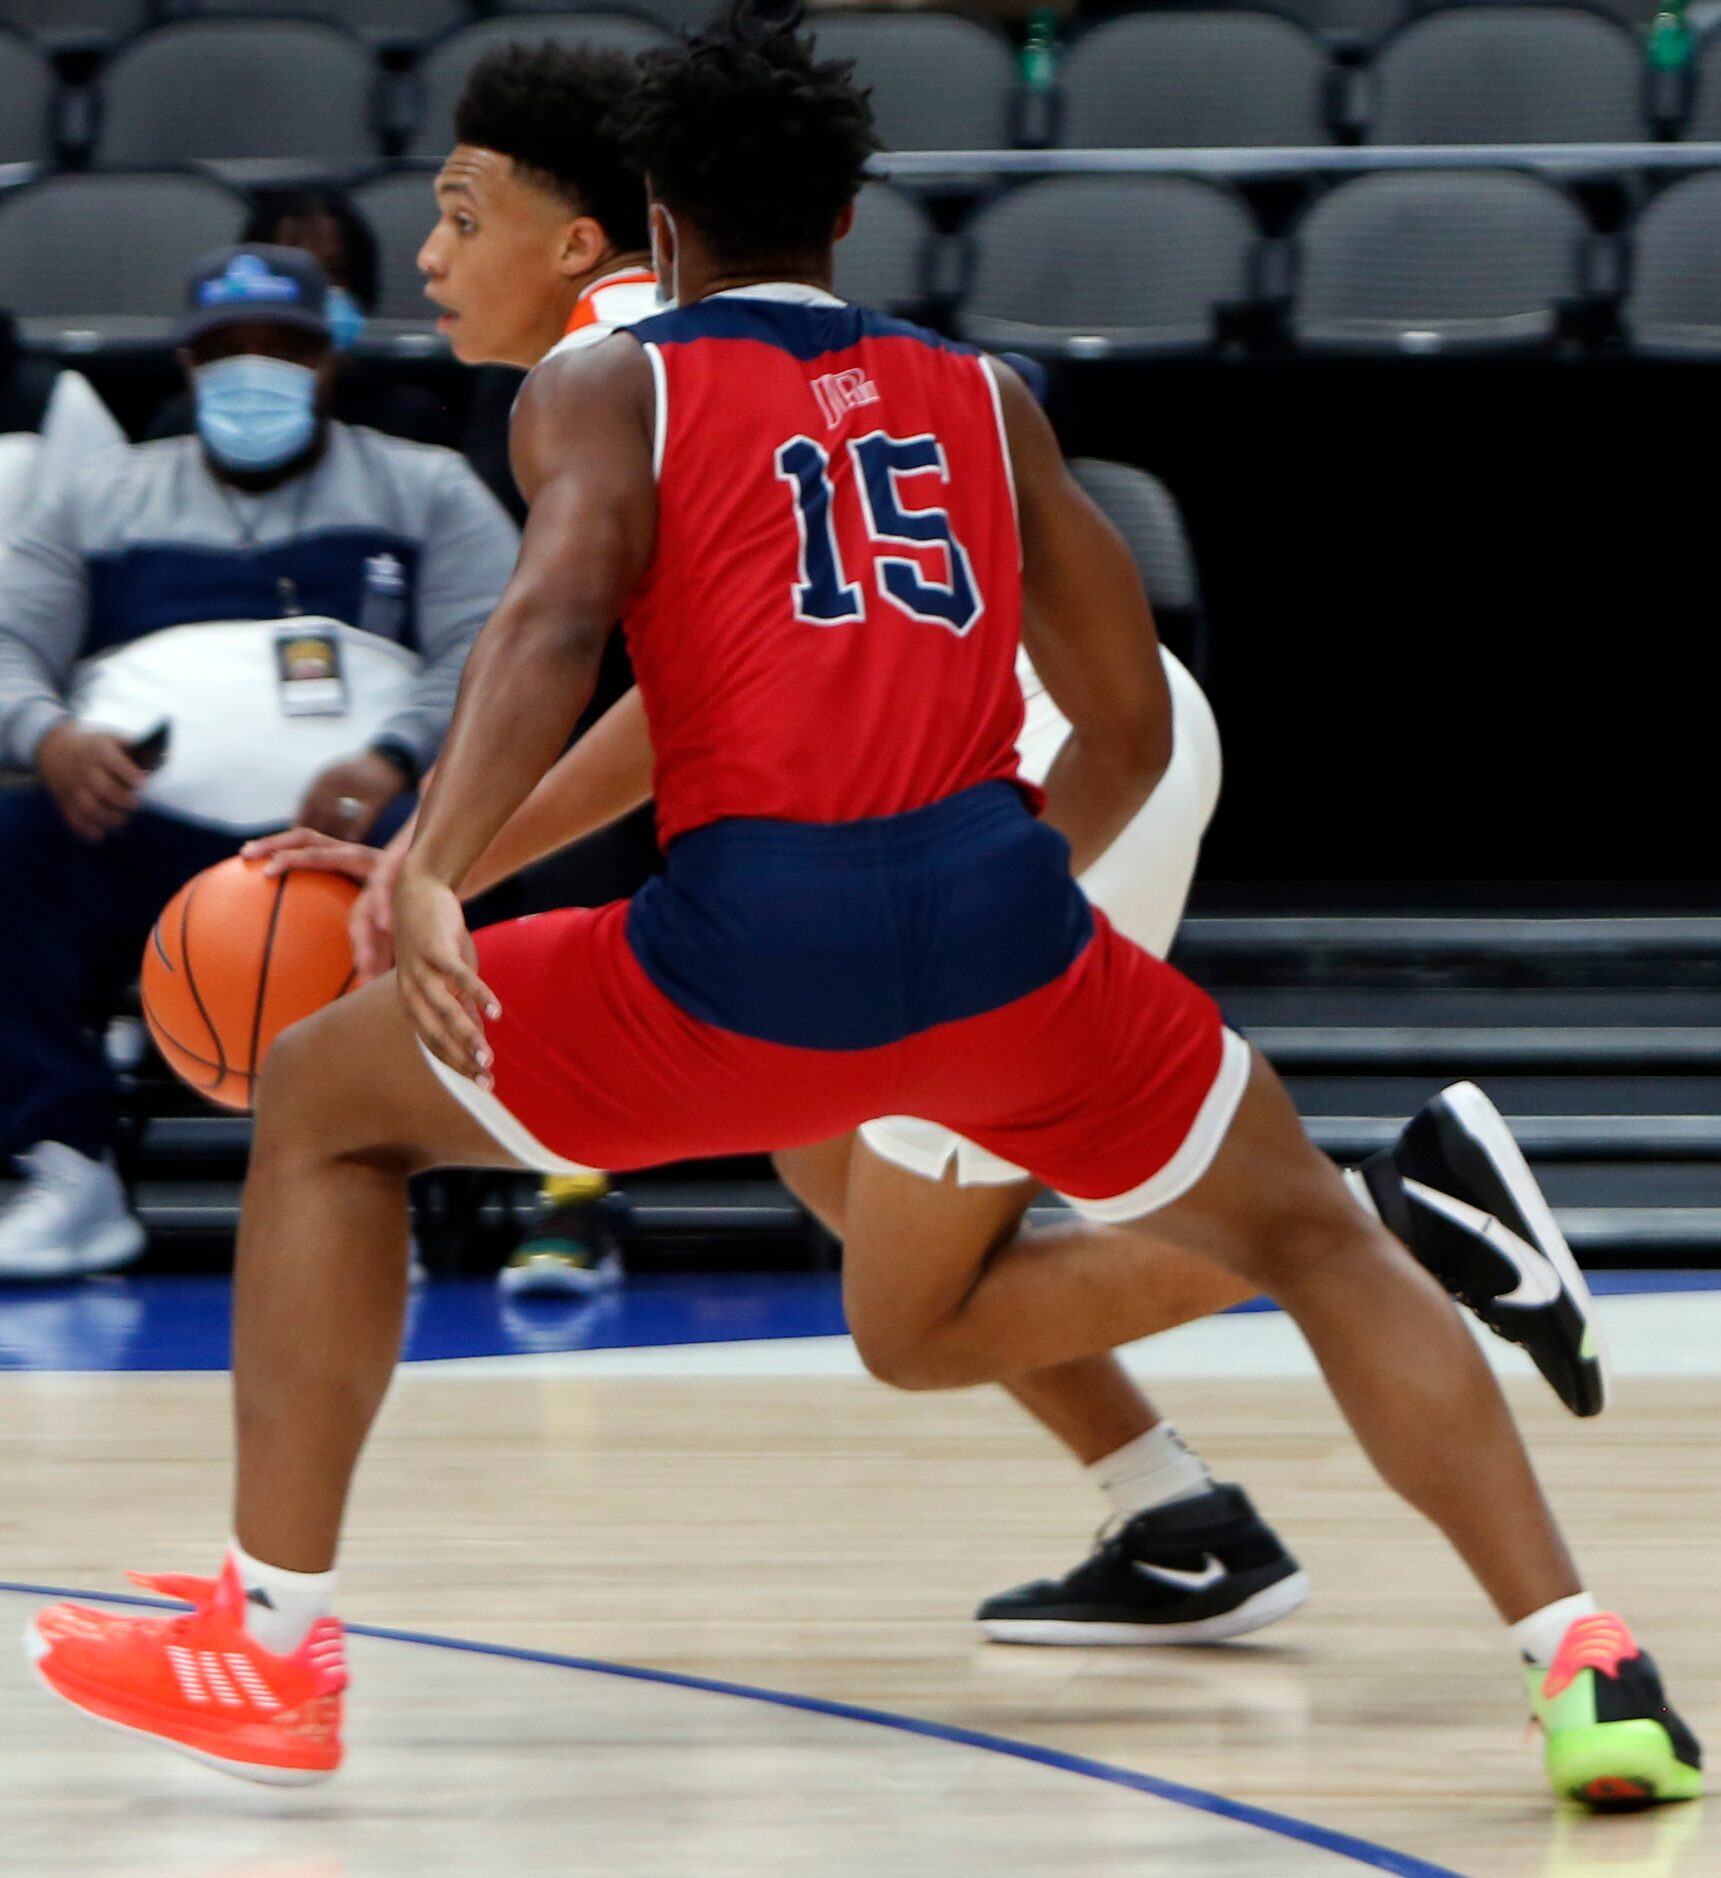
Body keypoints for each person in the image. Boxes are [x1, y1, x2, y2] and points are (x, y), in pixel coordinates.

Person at [27, 11, 1698, 1811]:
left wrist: (432, 862)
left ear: (644, 221)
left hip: (756, 941)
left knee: (331, 1105)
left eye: (459, 211)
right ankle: (1584, 1656)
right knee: (1268, 1234)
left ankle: (272, 1642)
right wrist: (998, 914)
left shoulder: (610, 381)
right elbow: (1119, 714)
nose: (434, 253)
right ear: (848, 211)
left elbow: (556, 615)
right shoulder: (986, 393)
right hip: (1007, 909)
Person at [0, 244, 520, 1281]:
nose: (251, 369)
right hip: (140, 827)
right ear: (187, 365)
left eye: (279, 346)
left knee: (468, 844)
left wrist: (395, 755)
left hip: (359, 830)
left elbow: (497, 646)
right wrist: (48, 739)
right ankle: (64, 1165)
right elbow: (11, 643)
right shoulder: (95, 494)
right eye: (223, 349)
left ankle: (386, 1171)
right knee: (6, 844)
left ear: (328, 358)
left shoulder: (424, 485)